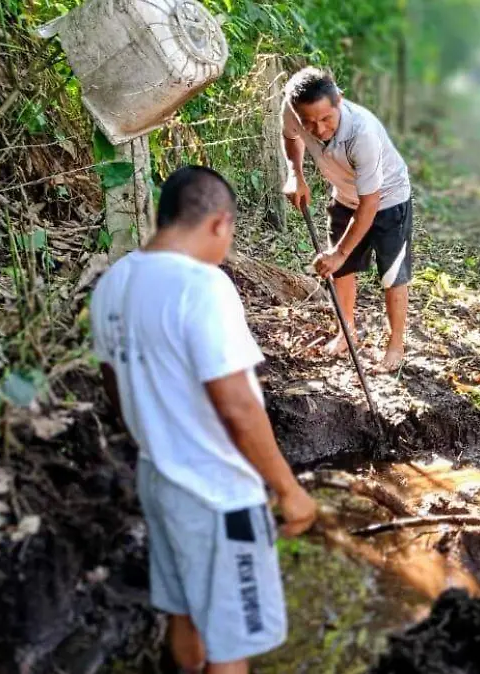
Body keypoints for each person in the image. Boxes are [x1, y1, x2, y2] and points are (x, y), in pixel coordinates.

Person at [90, 166, 319, 673]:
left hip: (158, 478)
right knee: (231, 641)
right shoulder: (202, 285)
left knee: (184, 610)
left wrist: (157, 436)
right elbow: (236, 403)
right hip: (220, 496)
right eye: (230, 232)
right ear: (219, 223)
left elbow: (114, 383)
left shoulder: (113, 283)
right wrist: (288, 489)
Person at [281, 66, 413, 373]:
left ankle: (395, 345)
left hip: (388, 199)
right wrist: (295, 174)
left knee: (392, 275)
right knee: (339, 272)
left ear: (339, 99)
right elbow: (291, 137)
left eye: (326, 119)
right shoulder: (293, 110)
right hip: (344, 195)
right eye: (309, 122)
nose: (319, 129)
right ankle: (347, 331)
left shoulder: (361, 133)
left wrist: (341, 252)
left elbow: (371, 203)